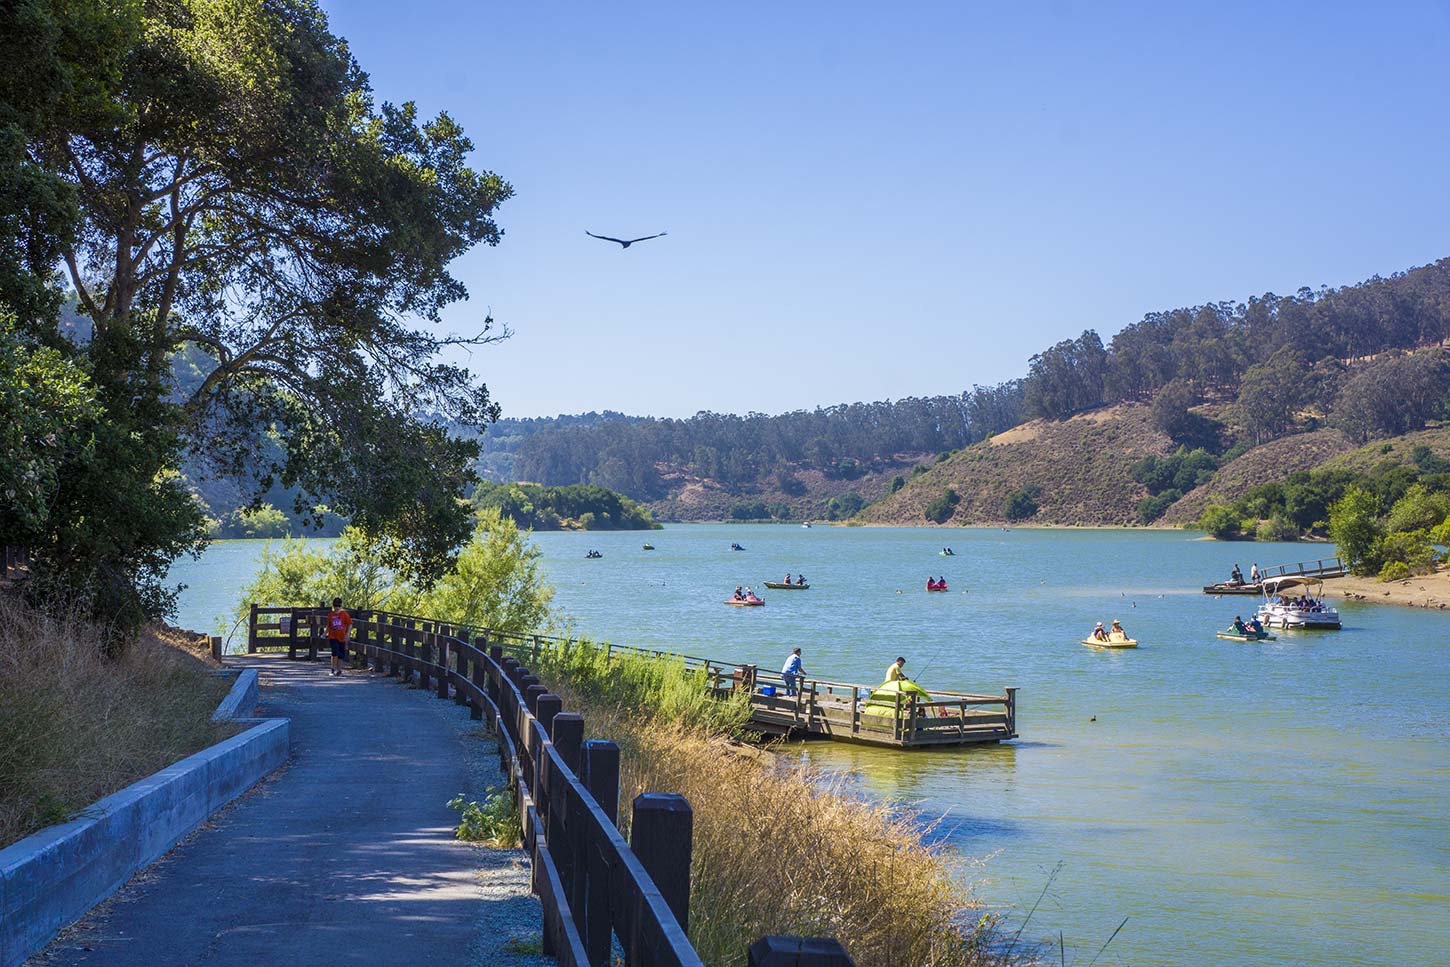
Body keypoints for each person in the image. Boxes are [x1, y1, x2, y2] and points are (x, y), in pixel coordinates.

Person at [326, 597, 352, 676]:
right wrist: (325, 633)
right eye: (335, 606)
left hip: (342, 637)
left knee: (341, 654)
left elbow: (350, 624)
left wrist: (348, 633)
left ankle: (339, 669)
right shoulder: (330, 614)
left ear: (340, 606)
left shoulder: (344, 614)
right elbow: (329, 625)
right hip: (332, 636)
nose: (336, 608)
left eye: (338, 606)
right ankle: (333, 669)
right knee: (335, 652)